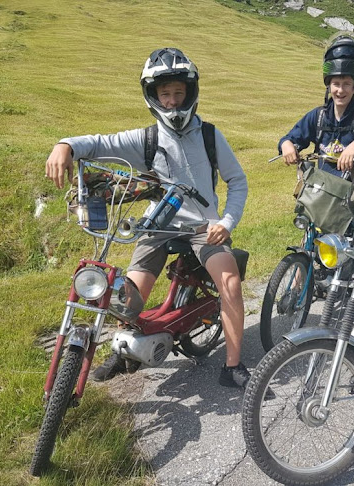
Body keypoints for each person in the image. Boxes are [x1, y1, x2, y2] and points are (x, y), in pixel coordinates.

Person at [45, 47, 251, 389]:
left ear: (190, 93)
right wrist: (64, 145)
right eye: (165, 94)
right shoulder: (147, 138)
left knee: (230, 283)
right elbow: (97, 143)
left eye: (178, 93)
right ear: (153, 96)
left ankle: (233, 365)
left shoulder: (211, 135)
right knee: (127, 297)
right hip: (159, 225)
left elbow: (238, 181)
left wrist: (226, 223)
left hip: (204, 227)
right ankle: (124, 352)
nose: (172, 101)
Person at [278, 35, 354, 174]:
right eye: (336, 84)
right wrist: (286, 145)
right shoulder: (319, 115)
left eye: (347, 84)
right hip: (323, 189)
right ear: (328, 86)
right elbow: (292, 137)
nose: (340, 90)